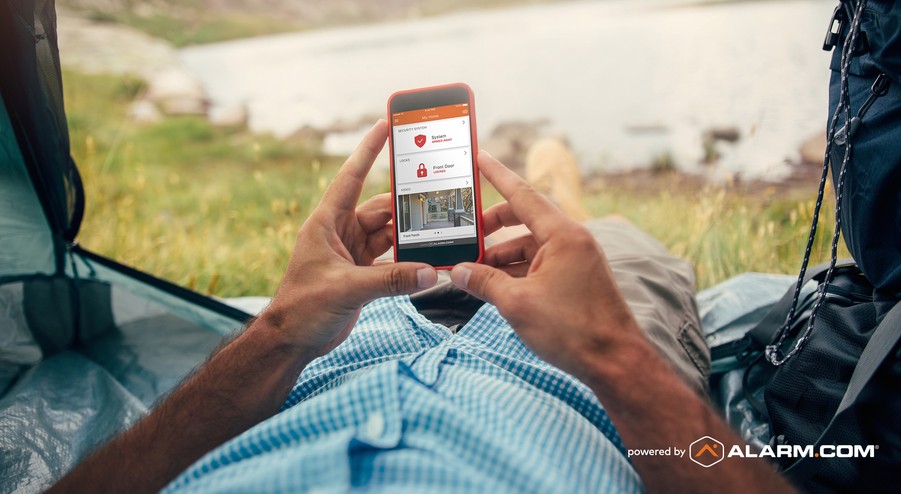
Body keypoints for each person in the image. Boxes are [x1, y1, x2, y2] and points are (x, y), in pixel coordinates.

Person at [48, 120, 794, 493]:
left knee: (409, 260)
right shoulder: (603, 361)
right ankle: (566, 197)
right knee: (610, 245)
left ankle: (555, 200)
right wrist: (612, 355)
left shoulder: (294, 336)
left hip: (328, 350)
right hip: (579, 387)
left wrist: (277, 332)